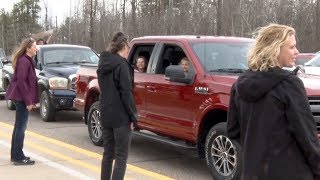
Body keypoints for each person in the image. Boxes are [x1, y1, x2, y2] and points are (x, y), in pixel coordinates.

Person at [227, 23, 320, 179]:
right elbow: (307, 137)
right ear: (275, 48)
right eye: (292, 47)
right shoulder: (289, 84)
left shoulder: (238, 85)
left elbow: (233, 131)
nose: (297, 52)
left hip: (253, 173)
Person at [97, 32, 138, 180]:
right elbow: (126, 93)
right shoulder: (122, 65)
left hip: (106, 114)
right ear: (123, 46)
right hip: (121, 117)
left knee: (108, 154)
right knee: (121, 157)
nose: (129, 50)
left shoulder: (103, 62)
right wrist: (134, 116)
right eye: (128, 46)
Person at [6, 38, 38, 165]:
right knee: (21, 128)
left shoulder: (26, 60)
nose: (36, 48)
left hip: (22, 98)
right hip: (22, 99)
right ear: (28, 48)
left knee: (18, 127)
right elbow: (21, 82)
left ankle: (16, 155)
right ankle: (19, 157)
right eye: (35, 46)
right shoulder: (24, 61)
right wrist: (28, 101)